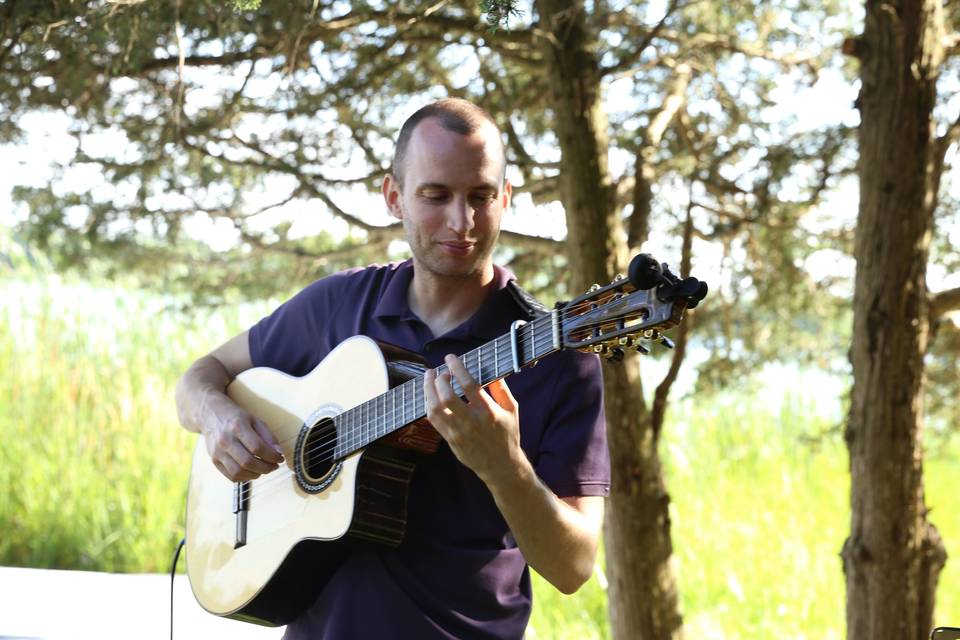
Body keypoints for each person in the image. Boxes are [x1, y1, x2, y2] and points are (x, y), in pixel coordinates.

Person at [175, 97, 610, 639]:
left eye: (481, 197)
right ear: (394, 196)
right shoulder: (336, 307)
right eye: (436, 195)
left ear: (506, 198)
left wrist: (505, 468)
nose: (462, 221)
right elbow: (203, 375)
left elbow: (574, 568)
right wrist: (219, 418)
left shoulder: (558, 357)